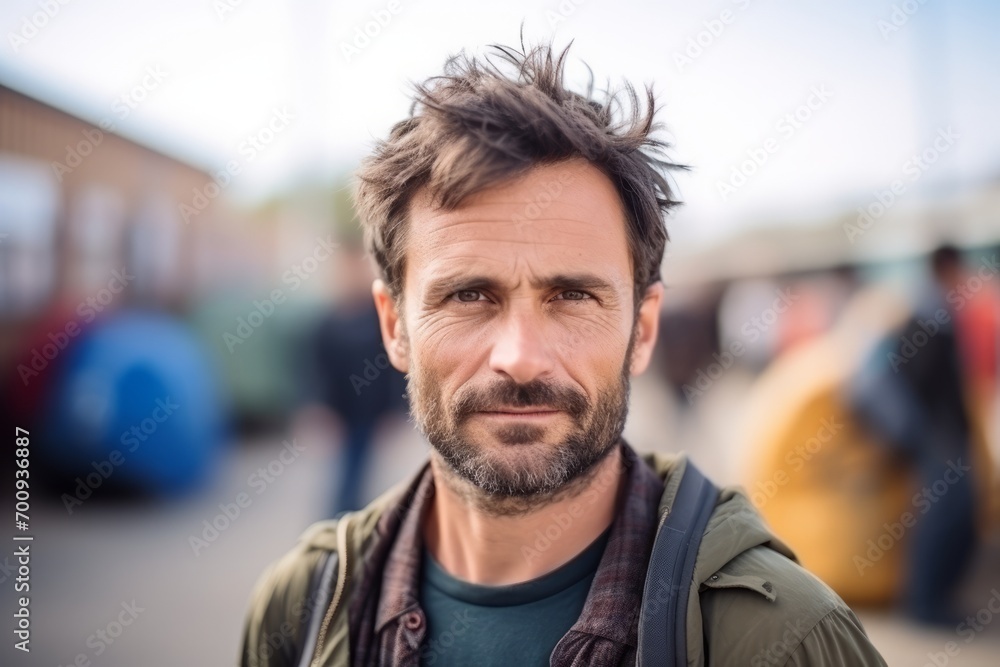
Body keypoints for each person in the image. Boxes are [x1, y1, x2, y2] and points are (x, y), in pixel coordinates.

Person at [240, 40, 887, 666]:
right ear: (394, 326)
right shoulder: (300, 609)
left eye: (573, 295)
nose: (520, 358)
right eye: (469, 294)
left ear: (643, 328)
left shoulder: (786, 638)